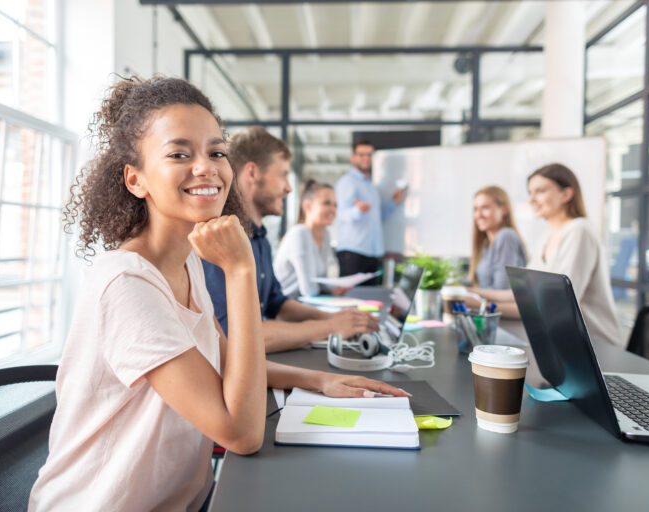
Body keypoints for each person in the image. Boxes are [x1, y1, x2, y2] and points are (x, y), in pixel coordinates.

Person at [28, 77, 408, 512]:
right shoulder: (127, 285)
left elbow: (228, 360)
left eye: (216, 152)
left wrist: (320, 380)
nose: (206, 167)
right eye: (179, 154)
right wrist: (240, 269)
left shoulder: (186, 259)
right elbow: (241, 434)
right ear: (136, 180)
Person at [202, 127, 379, 354]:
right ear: (253, 173)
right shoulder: (221, 241)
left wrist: (336, 319)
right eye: (284, 174)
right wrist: (328, 326)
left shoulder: (260, 237)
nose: (289, 187)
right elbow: (234, 337)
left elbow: (277, 304)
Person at [471, 163, 623, 348]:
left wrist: (483, 306)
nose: (532, 199)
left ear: (566, 194)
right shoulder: (545, 238)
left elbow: (559, 305)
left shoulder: (579, 231)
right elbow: (523, 293)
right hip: (559, 342)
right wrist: (474, 293)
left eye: (540, 191)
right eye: (530, 193)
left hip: (594, 346)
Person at [334, 139, 406, 281]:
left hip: (371, 253)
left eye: (369, 155)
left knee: (369, 300)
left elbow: (377, 218)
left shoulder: (371, 187)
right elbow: (341, 214)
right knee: (352, 298)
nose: (366, 158)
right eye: (361, 154)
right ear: (353, 157)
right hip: (353, 252)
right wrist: (357, 210)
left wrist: (393, 202)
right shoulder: (347, 182)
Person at [274, 178, 345, 299]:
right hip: (286, 307)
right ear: (307, 206)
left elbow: (321, 281)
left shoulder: (326, 235)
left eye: (335, 205)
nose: (333, 209)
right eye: (326, 203)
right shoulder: (299, 234)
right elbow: (309, 290)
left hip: (305, 303)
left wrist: (335, 289)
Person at [468, 185, 527, 290]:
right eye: (476, 209)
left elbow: (502, 289)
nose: (478, 215)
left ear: (504, 209)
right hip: (487, 304)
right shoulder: (486, 243)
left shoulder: (506, 236)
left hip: (497, 306)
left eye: (485, 207)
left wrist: (472, 293)